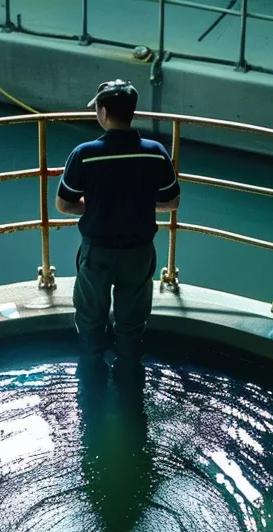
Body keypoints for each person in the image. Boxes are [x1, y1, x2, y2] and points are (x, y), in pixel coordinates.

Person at [56, 79, 181, 369]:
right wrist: (139, 205)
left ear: (102, 111)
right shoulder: (155, 152)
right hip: (139, 251)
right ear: (132, 112)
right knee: (132, 320)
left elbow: (64, 204)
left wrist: (96, 205)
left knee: (90, 318)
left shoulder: (84, 154)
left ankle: (91, 371)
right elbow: (172, 202)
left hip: (97, 250)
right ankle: (128, 372)